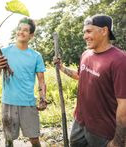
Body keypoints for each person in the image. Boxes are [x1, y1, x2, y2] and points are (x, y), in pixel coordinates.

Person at [54, 14, 126, 147]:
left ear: (104, 31)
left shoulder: (119, 60)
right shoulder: (86, 54)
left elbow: (124, 105)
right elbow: (82, 77)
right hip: (80, 122)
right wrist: (62, 68)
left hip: (102, 130)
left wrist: (118, 142)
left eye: (88, 31)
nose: (84, 36)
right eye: (84, 32)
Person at [0, 17, 48, 147]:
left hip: (28, 103)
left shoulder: (36, 56)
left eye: (25, 30)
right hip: (8, 103)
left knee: (34, 139)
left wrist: (43, 98)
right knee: (9, 140)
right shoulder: (4, 52)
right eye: (19, 29)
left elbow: (41, 80)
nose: (21, 32)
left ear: (31, 35)